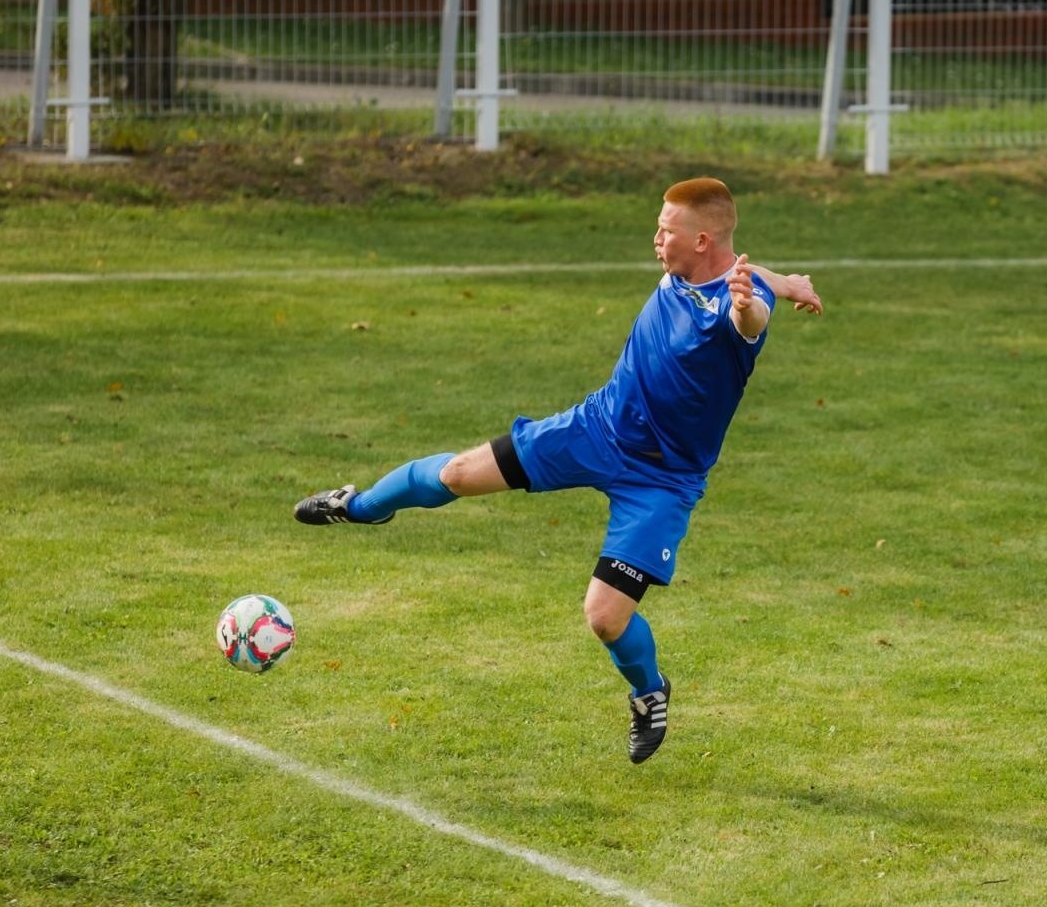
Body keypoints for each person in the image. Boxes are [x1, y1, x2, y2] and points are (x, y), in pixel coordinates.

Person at [293, 178, 820, 765]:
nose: (656, 238)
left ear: (701, 241)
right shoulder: (686, 270)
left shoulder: (737, 304)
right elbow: (744, 267)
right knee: (460, 473)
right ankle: (359, 505)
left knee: (605, 617)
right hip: (596, 429)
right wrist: (787, 279)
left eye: (666, 230)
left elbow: (749, 317)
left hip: (662, 481)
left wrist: (754, 302)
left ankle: (650, 692)